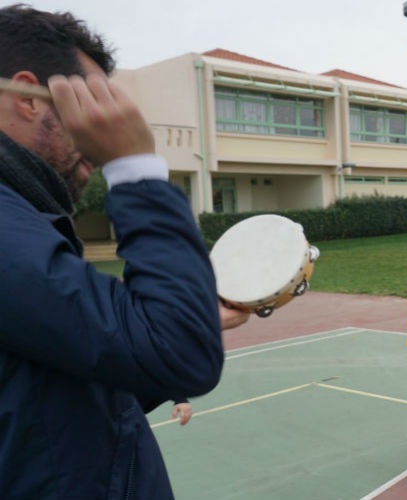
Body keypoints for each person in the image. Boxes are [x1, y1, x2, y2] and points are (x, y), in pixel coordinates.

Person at [0, 5, 248, 498]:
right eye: (91, 104)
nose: (100, 127)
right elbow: (182, 355)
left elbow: (63, 396)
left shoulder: (25, 219)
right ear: (28, 97)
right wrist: (134, 166)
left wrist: (176, 322)